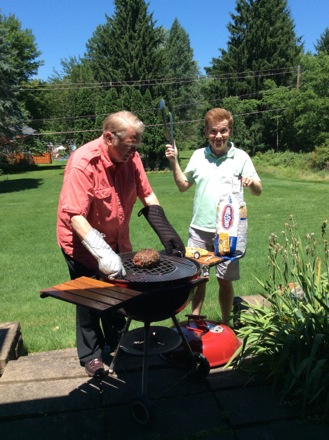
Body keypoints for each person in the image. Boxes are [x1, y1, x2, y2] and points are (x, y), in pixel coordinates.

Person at [57, 110, 185, 378]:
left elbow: (147, 194)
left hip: (117, 239)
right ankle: (91, 355)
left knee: (116, 292)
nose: (133, 151)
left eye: (136, 145)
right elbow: (75, 216)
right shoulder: (83, 162)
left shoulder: (132, 158)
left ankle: (116, 341)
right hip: (81, 242)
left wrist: (168, 235)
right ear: (108, 137)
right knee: (90, 295)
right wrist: (101, 252)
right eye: (129, 145)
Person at [165, 108, 262, 326]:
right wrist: (174, 162)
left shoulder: (241, 158)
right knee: (198, 279)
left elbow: (258, 190)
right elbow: (183, 186)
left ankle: (226, 324)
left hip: (229, 233)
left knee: (224, 281)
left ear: (230, 131)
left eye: (223, 131)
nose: (218, 136)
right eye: (213, 131)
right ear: (206, 132)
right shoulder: (199, 156)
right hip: (200, 229)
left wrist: (251, 182)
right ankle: (195, 322)